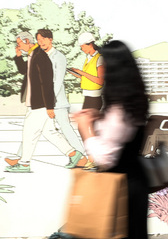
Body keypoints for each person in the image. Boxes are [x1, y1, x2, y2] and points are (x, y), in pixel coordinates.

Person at [73, 40, 151, 239]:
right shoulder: (134, 102)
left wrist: (85, 127)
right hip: (133, 185)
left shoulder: (118, 109)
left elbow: (104, 157)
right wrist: (97, 120)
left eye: (103, 64)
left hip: (117, 190)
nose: (100, 70)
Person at [5, 31, 76, 173]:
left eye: (19, 44)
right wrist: (18, 56)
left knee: (29, 132)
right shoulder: (33, 55)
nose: (18, 46)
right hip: (37, 103)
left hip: (39, 104)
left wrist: (49, 106)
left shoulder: (40, 57)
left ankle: (24, 163)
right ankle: (73, 154)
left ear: (26, 41)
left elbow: (47, 83)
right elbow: (24, 71)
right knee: (50, 132)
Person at [37, 29, 87, 168]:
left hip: (57, 102)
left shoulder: (59, 57)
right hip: (44, 101)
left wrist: (50, 102)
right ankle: (22, 159)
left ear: (50, 39)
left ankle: (82, 156)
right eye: (39, 40)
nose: (41, 42)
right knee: (34, 127)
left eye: (43, 39)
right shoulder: (40, 57)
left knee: (65, 128)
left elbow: (57, 82)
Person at [70, 32, 105, 111]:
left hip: (94, 98)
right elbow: (88, 77)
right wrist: (76, 74)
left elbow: (100, 81)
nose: (82, 49)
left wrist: (81, 72)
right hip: (88, 97)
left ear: (90, 44)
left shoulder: (100, 58)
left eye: (83, 46)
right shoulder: (89, 58)